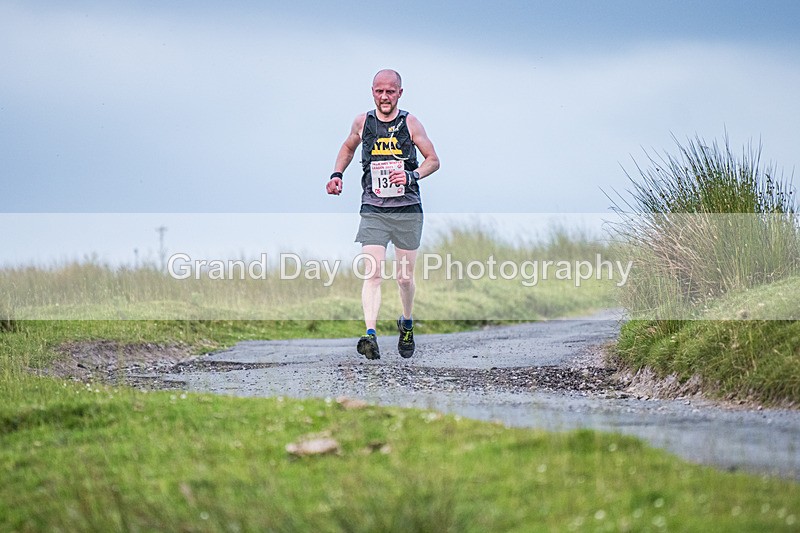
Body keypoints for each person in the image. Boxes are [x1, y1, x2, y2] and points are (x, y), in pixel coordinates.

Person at [326, 69, 440, 360]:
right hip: (373, 208)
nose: (384, 97)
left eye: (390, 91)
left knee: (403, 278)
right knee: (373, 272)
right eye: (379, 91)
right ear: (372, 92)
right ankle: (371, 334)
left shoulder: (410, 123)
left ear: (400, 93)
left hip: (407, 209)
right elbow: (348, 147)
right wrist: (337, 174)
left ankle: (406, 321)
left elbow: (433, 161)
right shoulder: (363, 122)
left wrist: (411, 176)